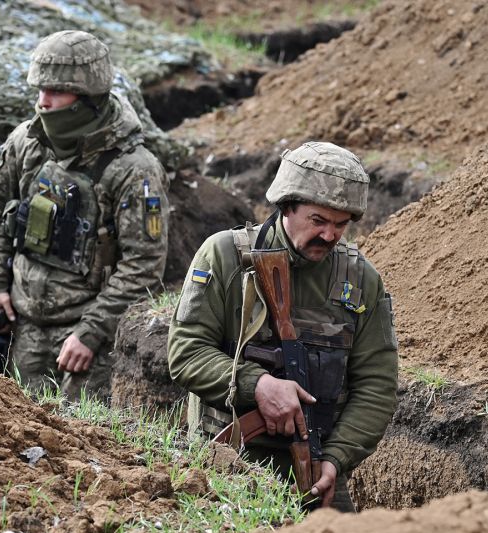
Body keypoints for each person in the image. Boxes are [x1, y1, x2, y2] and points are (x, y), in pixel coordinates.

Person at [167, 142, 398, 512]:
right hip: (226, 465)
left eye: (341, 225)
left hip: (317, 471)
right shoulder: (225, 256)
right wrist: (257, 384)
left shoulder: (361, 280)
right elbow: (186, 352)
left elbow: (377, 385)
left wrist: (336, 460)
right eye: (318, 221)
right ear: (286, 207)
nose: (330, 236)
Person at [0, 30, 168, 399]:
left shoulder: (133, 169)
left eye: (55, 92)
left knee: (78, 441)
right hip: (24, 326)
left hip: (90, 337)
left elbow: (144, 263)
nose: (43, 102)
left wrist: (91, 332)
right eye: (40, 91)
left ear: (87, 99)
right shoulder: (25, 143)